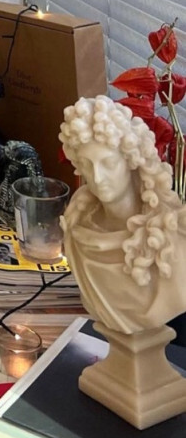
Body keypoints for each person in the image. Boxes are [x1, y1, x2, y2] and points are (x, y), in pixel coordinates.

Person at [60, 96, 186, 334]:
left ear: (130, 160)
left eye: (109, 163)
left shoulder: (173, 238)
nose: (98, 178)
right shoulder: (77, 224)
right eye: (87, 165)